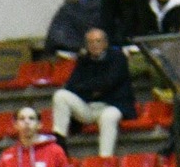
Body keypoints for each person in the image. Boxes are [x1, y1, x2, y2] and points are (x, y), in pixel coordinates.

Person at [52, 26, 135, 157]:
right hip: (89, 106)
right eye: (91, 42)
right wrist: (93, 89)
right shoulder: (83, 59)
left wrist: (86, 87)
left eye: (98, 41)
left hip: (113, 105)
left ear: (105, 43)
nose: (94, 45)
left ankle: (104, 159)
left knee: (109, 116)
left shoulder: (118, 58)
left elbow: (108, 83)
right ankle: (60, 142)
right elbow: (71, 86)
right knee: (60, 95)